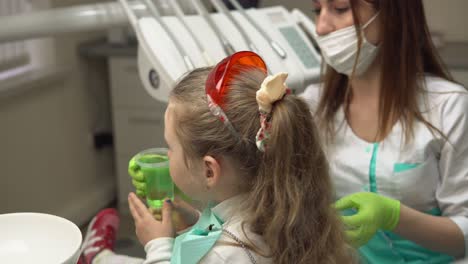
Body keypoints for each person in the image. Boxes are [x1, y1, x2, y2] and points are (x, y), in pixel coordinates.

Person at [78, 51, 353, 264]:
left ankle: (99, 257)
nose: (167, 154)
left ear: (209, 171)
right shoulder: (280, 207)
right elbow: (228, 230)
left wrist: (158, 245)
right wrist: (193, 221)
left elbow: (225, 248)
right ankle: (101, 256)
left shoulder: (226, 256)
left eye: (171, 147)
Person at [301, 0, 468, 263]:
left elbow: (464, 235)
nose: (321, 27)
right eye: (317, 10)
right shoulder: (313, 107)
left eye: (340, 8)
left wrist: (394, 216)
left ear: (391, 14)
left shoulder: (448, 106)